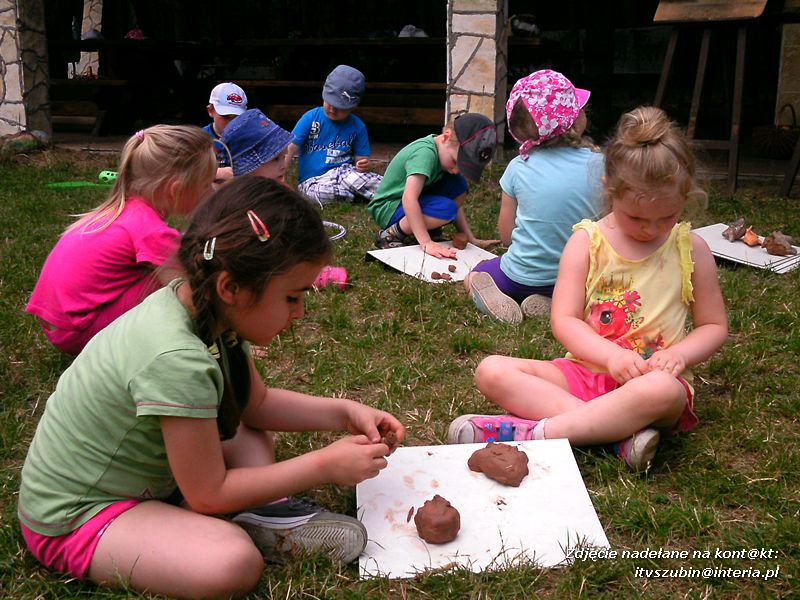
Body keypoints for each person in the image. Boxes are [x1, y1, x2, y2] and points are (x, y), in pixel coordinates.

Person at [18, 176, 405, 599]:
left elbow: (255, 405)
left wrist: (344, 412)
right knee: (231, 562)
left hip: (160, 477)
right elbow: (208, 493)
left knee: (245, 430)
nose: (299, 313)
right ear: (231, 287)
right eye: (292, 297)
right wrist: (322, 465)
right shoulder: (175, 359)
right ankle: (246, 523)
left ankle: (254, 514)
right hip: (80, 518)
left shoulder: (203, 306)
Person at [447, 106, 728, 471]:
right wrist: (610, 358)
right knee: (491, 371)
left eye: (667, 217)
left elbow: (713, 326)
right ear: (608, 188)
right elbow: (563, 320)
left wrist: (681, 356)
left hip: (651, 385)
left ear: (686, 197)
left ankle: (535, 434)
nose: (650, 229)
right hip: (585, 372)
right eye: (637, 217)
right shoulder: (587, 242)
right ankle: (616, 438)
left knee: (662, 390)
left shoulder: (692, 249)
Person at [26, 125, 217, 355]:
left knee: (174, 257)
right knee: (181, 280)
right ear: (176, 191)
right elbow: (190, 297)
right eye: (206, 185)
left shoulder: (123, 210)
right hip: (80, 332)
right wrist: (226, 331)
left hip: (58, 325)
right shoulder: (151, 231)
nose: (211, 191)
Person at [465, 69, 604, 325]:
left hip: (520, 278)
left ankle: (496, 295)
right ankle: (557, 304)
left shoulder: (518, 167)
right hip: (582, 284)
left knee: (476, 273)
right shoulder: (603, 165)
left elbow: (506, 235)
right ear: (572, 120)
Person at [223, 108, 347, 289]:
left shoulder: (279, 190)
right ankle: (306, 275)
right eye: (275, 160)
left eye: (283, 156)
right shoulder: (240, 202)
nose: (283, 164)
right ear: (247, 167)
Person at [368, 112, 499, 259]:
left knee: (459, 186)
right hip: (389, 207)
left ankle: (429, 227)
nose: (456, 170)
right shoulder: (425, 155)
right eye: (455, 162)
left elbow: (456, 203)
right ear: (446, 137)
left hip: (410, 202)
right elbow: (409, 199)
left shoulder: (443, 154)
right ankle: (390, 235)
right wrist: (426, 242)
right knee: (446, 208)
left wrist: (471, 239)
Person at [286, 65, 382, 205]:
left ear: (353, 105)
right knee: (315, 194)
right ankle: (358, 197)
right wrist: (280, 172)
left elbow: (361, 160)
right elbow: (290, 147)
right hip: (314, 180)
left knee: (363, 179)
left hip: (344, 172)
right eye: (329, 102)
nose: (332, 109)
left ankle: (395, 192)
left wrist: (364, 165)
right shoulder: (311, 117)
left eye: (340, 107)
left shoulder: (357, 126)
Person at [203, 82, 248, 181]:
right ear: (211, 111)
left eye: (237, 118)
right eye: (226, 117)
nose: (232, 123)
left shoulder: (250, 139)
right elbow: (184, 174)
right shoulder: (200, 140)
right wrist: (216, 173)